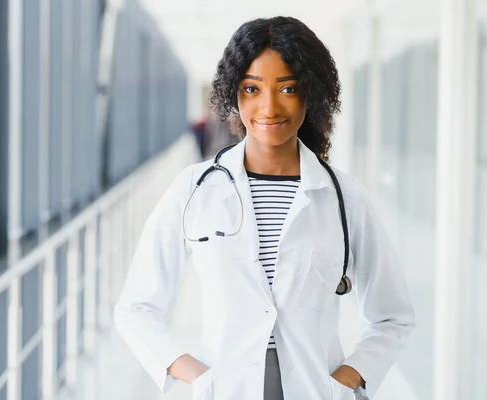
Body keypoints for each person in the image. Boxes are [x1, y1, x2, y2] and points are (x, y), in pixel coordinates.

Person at [114, 16, 415, 400]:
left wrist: (347, 379)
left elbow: (393, 316)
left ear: (311, 93)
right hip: (225, 388)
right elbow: (135, 307)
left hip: (314, 388)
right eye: (252, 88)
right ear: (233, 96)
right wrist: (197, 376)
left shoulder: (345, 198)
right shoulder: (195, 189)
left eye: (288, 88)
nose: (269, 107)